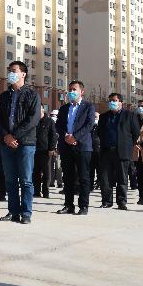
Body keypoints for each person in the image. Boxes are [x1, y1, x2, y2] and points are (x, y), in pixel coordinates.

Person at [0, 61, 41, 223]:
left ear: (23, 74)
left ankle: (26, 213)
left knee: (26, 180)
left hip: (26, 143)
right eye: (9, 71)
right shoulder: (4, 97)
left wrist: (15, 136)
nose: (10, 73)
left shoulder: (32, 95)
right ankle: (13, 212)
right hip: (6, 143)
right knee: (10, 180)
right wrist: (6, 136)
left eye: (14, 71)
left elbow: (33, 119)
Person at [54, 80, 96, 215]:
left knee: (83, 177)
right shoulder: (64, 108)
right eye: (70, 89)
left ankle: (83, 206)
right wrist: (66, 136)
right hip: (66, 146)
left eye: (74, 90)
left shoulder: (88, 107)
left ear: (81, 92)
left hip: (82, 146)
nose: (71, 92)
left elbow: (89, 125)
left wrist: (75, 137)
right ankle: (68, 205)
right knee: (68, 177)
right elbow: (58, 125)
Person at [95, 93, 140, 210]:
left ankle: (121, 202)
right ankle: (106, 201)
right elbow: (99, 132)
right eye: (110, 100)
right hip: (106, 151)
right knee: (105, 178)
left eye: (114, 100)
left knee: (122, 178)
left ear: (121, 102)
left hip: (122, 151)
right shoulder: (104, 116)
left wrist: (127, 144)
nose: (112, 102)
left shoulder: (129, 115)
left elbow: (136, 133)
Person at [32, 106, 56, 199]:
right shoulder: (33, 121)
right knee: (35, 172)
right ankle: (36, 191)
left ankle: (46, 192)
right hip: (34, 150)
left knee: (46, 172)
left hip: (46, 151)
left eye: (39, 108)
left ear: (43, 109)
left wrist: (51, 148)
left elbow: (53, 136)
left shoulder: (49, 121)